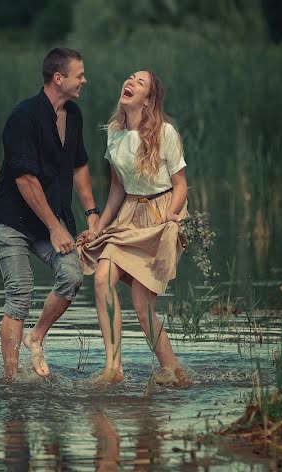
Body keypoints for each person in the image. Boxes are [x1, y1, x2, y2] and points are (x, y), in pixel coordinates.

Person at [0, 47, 100, 380]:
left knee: (72, 276)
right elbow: (25, 179)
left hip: (55, 224)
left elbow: (79, 165)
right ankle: (10, 380)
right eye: (79, 75)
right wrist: (54, 227)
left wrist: (92, 213)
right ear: (58, 78)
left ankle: (35, 337)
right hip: (14, 223)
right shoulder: (23, 116)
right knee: (20, 293)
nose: (84, 80)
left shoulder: (75, 115)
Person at [77, 70, 191, 386]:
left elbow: (181, 185)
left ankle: (172, 371)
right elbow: (118, 189)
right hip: (129, 216)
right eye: (129, 78)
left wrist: (171, 216)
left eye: (140, 83)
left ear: (149, 99)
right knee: (102, 277)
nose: (130, 82)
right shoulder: (114, 133)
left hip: (161, 214)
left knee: (142, 305)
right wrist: (99, 228)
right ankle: (113, 369)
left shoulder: (165, 132)